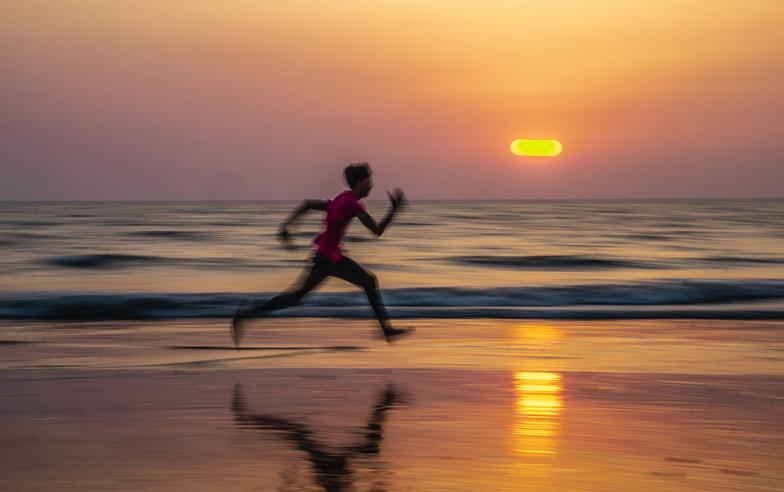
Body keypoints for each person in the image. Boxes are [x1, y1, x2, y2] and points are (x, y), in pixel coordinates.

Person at [231, 162, 414, 346]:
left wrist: (286, 226)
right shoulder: (353, 204)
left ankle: (387, 331)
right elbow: (377, 231)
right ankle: (246, 314)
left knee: (300, 296)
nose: (372, 185)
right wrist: (394, 210)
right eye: (369, 180)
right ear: (359, 182)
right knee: (299, 296)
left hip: (329, 257)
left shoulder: (343, 199)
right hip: (328, 260)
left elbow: (308, 204)